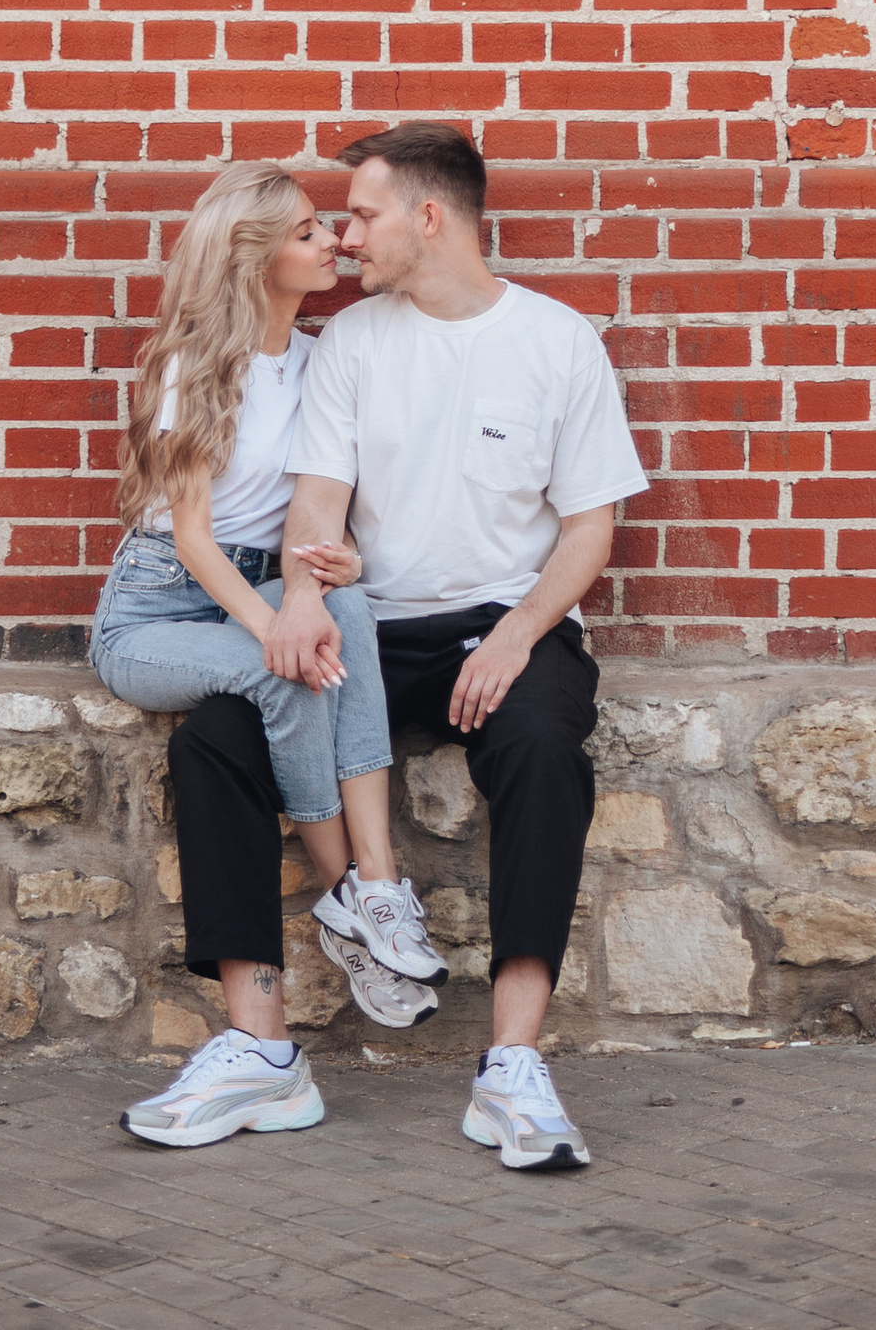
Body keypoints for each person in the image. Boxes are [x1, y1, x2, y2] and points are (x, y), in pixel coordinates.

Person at [276, 121, 648, 1175]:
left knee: (541, 753)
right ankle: (265, 1035)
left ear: (428, 217)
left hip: (507, 623)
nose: (347, 238)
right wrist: (303, 596)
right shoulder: (352, 341)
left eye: (362, 213)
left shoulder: (554, 339)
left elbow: (588, 529)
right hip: (376, 625)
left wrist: (520, 635)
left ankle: (513, 1068)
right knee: (222, 728)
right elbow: (318, 500)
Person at [90, 160, 449, 1145]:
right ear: (254, 258)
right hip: (159, 606)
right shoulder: (190, 365)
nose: (330, 239)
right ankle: (346, 902)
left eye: (326, 224)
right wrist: (275, 623)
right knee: (279, 665)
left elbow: (319, 504)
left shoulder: (323, 356)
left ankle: (376, 888)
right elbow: (196, 540)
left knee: (356, 614)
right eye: (305, 232)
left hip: (267, 579)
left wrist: (324, 576)